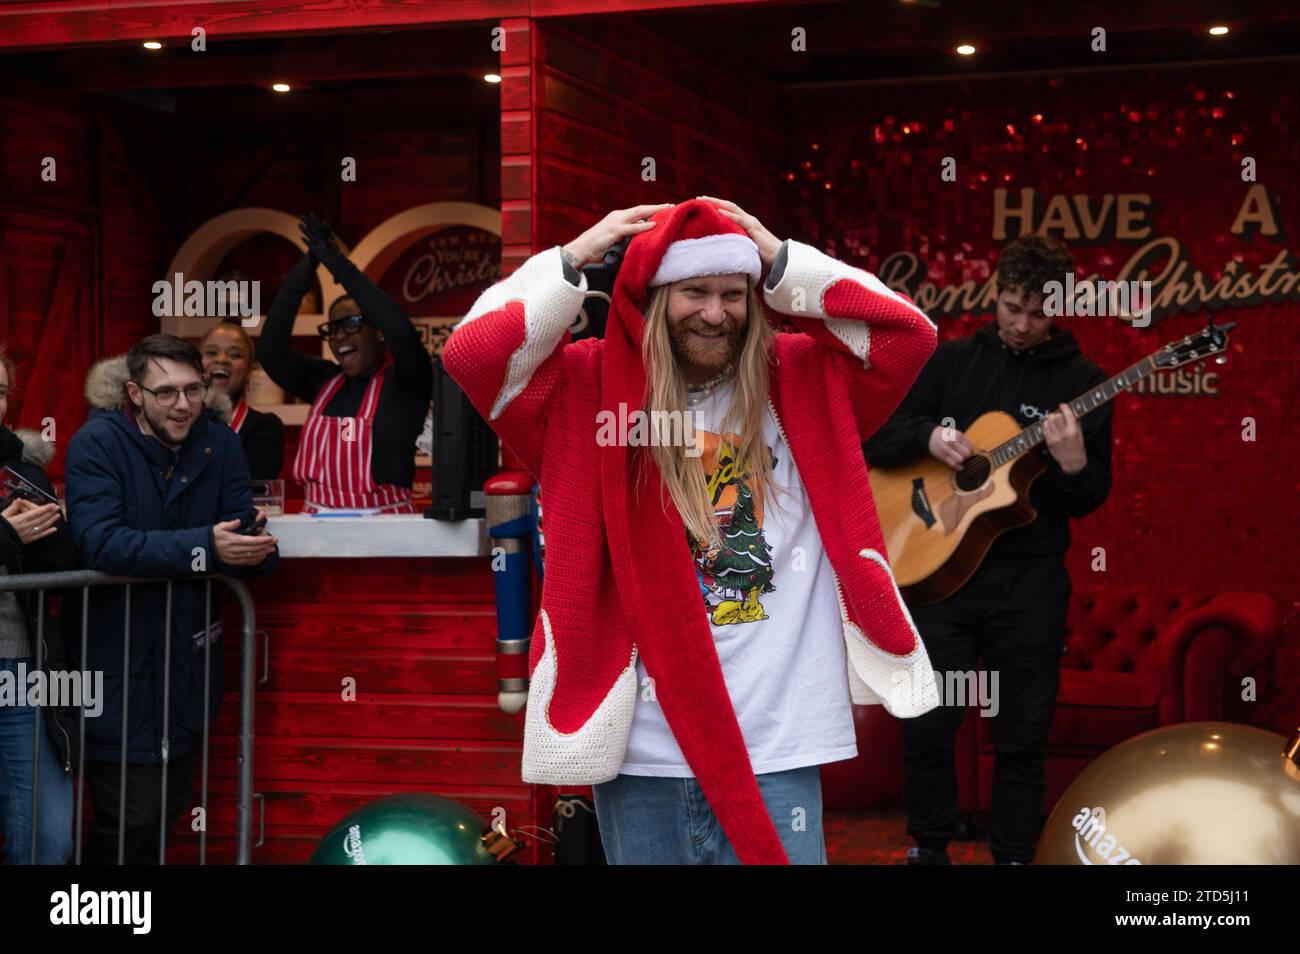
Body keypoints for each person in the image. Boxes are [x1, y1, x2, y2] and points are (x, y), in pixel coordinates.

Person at [444, 198, 940, 865]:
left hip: (778, 742)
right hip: (642, 748)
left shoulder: (802, 378)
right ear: (651, 300)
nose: (715, 312)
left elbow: (908, 335)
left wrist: (779, 255)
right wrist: (574, 260)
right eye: (694, 292)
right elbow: (473, 355)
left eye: (732, 293)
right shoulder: (588, 390)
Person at [863, 235, 1114, 865]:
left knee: (1022, 732)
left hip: (1028, 583)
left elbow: (1088, 496)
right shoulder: (948, 364)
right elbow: (876, 437)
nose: (1023, 325)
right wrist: (929, 433)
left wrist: (1075, 463)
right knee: (929, 725)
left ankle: (1012, 854)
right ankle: (929, 848)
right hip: (938, 574)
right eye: (1011, 308)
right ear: (994, 294)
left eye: (1038, 313)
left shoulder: (1084, 383)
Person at [65, 334, 279, 864]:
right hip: (116, 658)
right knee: (128, 817)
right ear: (134, 394)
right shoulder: (97, 443)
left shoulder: (219, 441)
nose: (182, 405)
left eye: (192, 390)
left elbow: (239, 522)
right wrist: (207, 544)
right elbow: (100, 542)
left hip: (187, 661)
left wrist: (256, 549)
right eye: (165, 393)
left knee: (165, 812)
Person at [257, 214, 432, 513]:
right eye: (332, 329)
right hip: (319, 532)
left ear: (378, 330)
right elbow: (270, 351)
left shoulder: (405, 384)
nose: (338, 337)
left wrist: (337, 263)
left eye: (351, 323)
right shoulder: (324, 381)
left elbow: (402, 333)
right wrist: (308, 266)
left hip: (385, 531)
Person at [0, 345, 79, 864]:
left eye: (0, 392)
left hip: (17, 668)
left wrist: (48, 532)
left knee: (48, 837)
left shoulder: (17, 466)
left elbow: (66, 563)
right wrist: (4, 535)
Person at [199, 320, 285, 479]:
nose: (222, 359)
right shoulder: (178, 420)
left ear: (249, 370)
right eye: (211, 352)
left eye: (235, 354)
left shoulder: (265, 427)